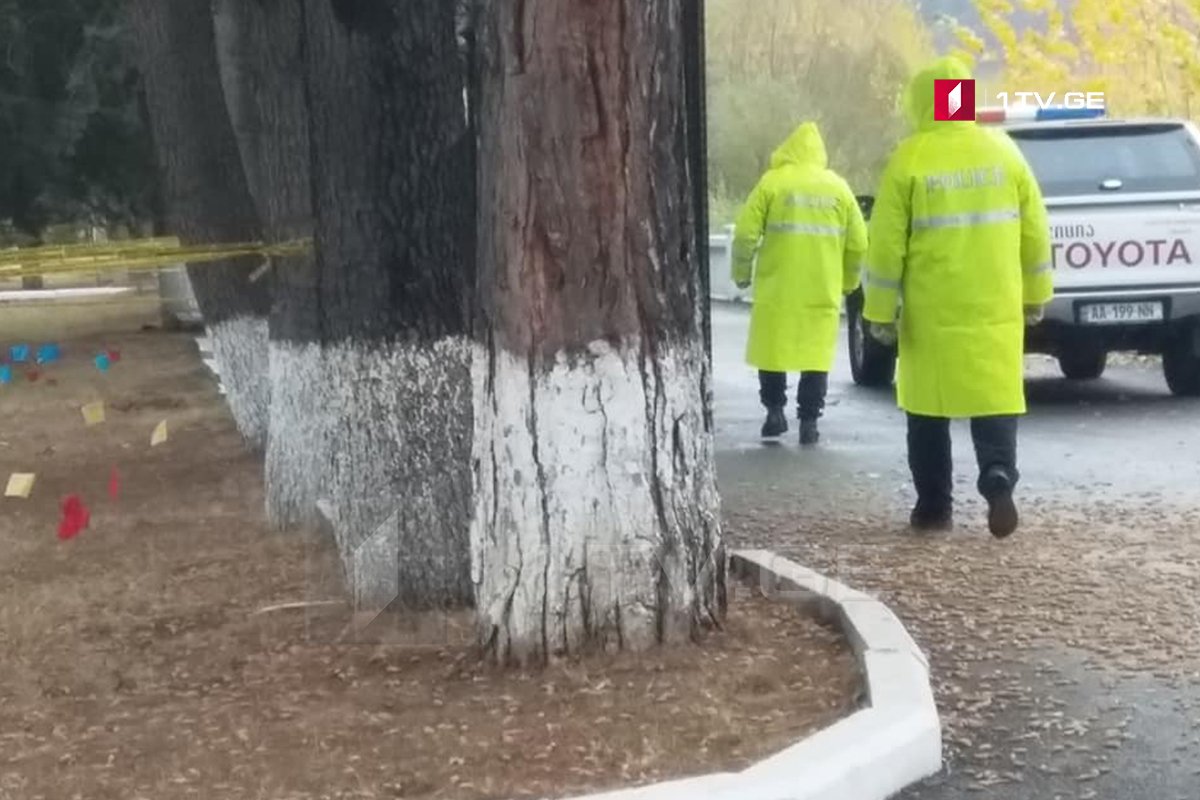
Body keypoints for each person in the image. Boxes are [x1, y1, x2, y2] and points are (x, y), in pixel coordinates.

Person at [862, 56, 1053, 538]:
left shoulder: (911, 157)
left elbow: (886, 245)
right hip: (995, 307)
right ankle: (997, 475)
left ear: (923, 100)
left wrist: (879, 312)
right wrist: (1035, 295)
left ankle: (933, 508)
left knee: (927, 409)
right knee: (995, 396)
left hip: (932, 311)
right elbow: (1035, 233)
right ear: (965, 96)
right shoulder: (1004, 152)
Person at [731, 121, 868, 445]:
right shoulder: (838, 188)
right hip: (821, 288)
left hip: (778, 288)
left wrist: (741, 273)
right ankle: (809, 421)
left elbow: (745, 234)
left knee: (772, 352)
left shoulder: (773, 183)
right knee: (815, 356)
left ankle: (774, 411)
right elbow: (859, 242)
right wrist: (848, 282)